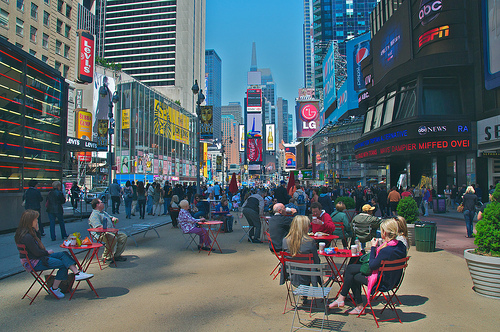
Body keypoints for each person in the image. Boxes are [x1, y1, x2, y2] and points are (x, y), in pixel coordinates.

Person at [328, 218, 407, 314]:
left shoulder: (386, 250)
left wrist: (374, 247)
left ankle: (352, 303)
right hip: (393, 280)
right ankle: (346, 300)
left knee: (352, 274)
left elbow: (372, 265)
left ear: (385, 232)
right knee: (351, 269)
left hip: (381, 282)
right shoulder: (401, 246)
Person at [15, 210, 93, 299]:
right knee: (63, 263)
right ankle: (54, 288)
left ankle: (77, 273)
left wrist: (37, 231)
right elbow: (37, 252)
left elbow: (36, 250)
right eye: (35, 219)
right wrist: (47, 252)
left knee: (63, 254)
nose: (37, 221)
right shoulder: (27, 236)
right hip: (34, 262)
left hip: (36, 258)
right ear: (30, 221)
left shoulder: (25, 233)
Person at [282, 215, 320, 286]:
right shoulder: (310, 242)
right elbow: (317, 261)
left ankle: (304, 295)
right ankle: (321, 282)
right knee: (313, 267)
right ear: (305, 227)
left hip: (291, 273)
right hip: (307, 275)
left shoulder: (285, 241)